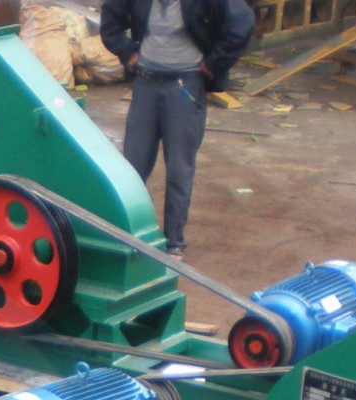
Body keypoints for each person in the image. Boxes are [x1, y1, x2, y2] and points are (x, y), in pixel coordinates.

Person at [100, 0, 255, 259]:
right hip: (146, 85)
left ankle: (174, 242)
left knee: (179, 169)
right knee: (133, 166)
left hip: (185, 88)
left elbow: (243, 22)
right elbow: (110, 16)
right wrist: (126, 52)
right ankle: (127, 233)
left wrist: (215, 62)